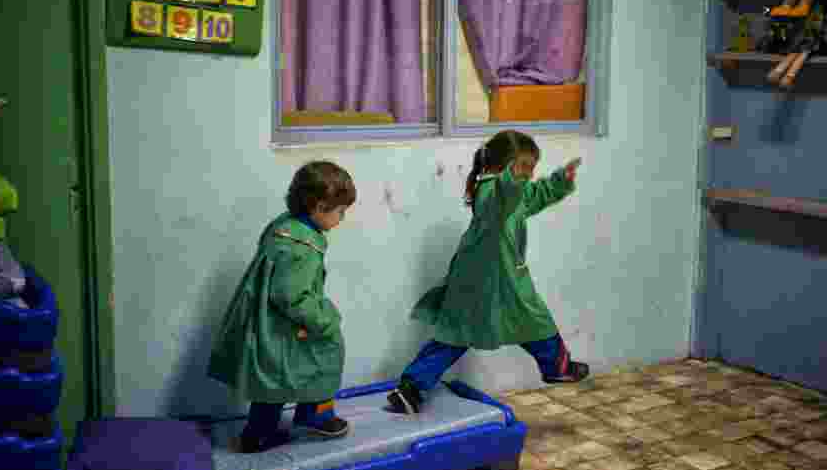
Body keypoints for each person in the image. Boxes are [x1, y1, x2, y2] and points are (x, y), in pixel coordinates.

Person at [388, 130, 588, 415]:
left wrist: (559, 181)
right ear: (505, 168)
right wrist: (510, 180)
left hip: (497, 277)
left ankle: (557, 366)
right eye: (525, 168)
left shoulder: (513, 192)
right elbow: (503, 198)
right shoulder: (490, 192)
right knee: (467, 333)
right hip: (483, 281)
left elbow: (534, 195)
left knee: (521, 325)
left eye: (532, 169)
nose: (530, 176)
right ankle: (411, 388)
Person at [207, 161, 355, 453]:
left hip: (263, 322)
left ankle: (258, 433)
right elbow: (292, 297)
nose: (342, 217)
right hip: (283, 322)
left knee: (270, 380)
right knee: (325, 357)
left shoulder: (284, 226)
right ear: (319, 207)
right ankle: (316, 415)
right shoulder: (303, 247)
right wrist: (325, 319)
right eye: (340, 211)